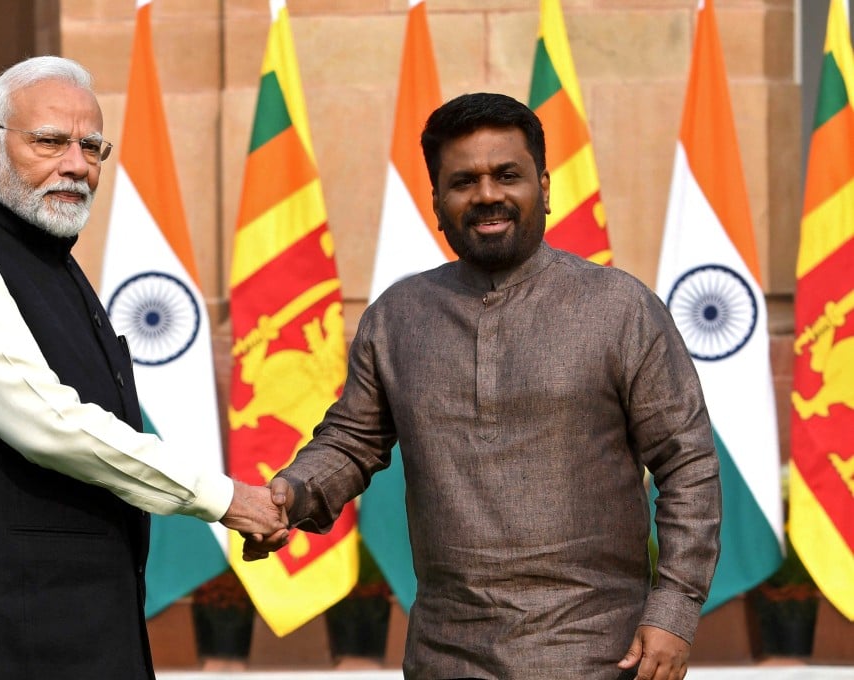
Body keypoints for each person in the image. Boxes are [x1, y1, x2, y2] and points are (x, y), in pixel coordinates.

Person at [248, 93, 722, 680]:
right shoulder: (399, 316)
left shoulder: (620, 309)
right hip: (446, 654)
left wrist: (675, 609)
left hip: (596, 650)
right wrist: (289, 496)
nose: (487, 195)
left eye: (507, 175)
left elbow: (689, 465)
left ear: (544, 187)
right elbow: (351, 441)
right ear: (438, 203)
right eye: (463, 181)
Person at [0, 56, 286, 680]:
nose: (77, 165)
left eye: (92, 146)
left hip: (67, 628)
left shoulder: (52, 260)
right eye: (50, 142)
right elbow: (48, 422)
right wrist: (221, 497)